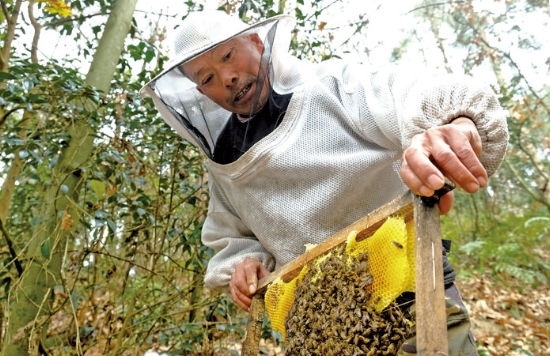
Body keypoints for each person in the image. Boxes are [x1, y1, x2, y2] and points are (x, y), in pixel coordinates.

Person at [141, 10, 508, 354]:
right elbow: (232, 233)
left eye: (227, 57)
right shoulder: (222, 159)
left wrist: (455, 126)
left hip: (407, 288)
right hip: (317, 324)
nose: (227, 78)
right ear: (200, 93)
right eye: (206, 78)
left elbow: (415, 94)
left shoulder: (334, 86)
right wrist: (246, 263)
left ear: (256, 42)